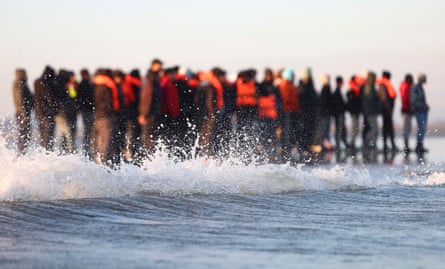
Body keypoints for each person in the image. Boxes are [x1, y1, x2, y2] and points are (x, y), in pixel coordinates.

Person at [92, 69, 120, 165]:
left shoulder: (98, 86)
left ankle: (103, 161)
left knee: (103, 141)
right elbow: (105, 103)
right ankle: (103, 163)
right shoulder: (105, 87)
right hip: (105, 117)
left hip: (100, 116)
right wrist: (110, 112)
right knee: (105, 142)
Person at [138, 59, 163, 156]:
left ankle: (149, 157)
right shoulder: (151, 79)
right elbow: (146, 97)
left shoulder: (154, 78)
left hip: (153, 113)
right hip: (149, 114)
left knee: (151, 138)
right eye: (159, 66)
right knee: (148, 138)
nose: (161, 68)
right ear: (153, 65)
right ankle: (146, 158)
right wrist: (143, 114)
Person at [258, 68, 281, 161]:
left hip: (273, 115)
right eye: (267, 75)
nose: (269, 77)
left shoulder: (274, 86)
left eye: (270, 75)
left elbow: (278, 101)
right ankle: (265, 153)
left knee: (273, 135)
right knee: (264, 135)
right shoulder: (261, 85)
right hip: (264, 115)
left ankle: (273, 154)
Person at [34, 65, 57, 151]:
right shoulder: (46, 83)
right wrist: (55, 107)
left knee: (43, 135)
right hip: (46, 112)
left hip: (38, 112)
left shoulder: (37, 82)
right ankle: (47, 154)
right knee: (48, 136)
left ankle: (43, 153)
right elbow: (49, 97)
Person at [277, 68, 297, 162]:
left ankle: (285, 151)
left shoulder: (286, 85)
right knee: (286, 132)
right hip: (287, 111)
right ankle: (285, 152)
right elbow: (286, 99)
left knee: (287, 132)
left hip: (288, 111)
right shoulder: (286, 85)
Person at [298, 68, 319, 160]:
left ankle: (306, 149)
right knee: (304, 133)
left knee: (309, 133)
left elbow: (316, 101)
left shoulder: (309, 88)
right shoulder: (303, 88)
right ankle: (303, 150)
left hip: (311, 115)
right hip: (304, 114)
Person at [12, 69, 33, 155]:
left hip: (22, 113)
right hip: (22, 113)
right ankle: (21, 153)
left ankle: (22, 153)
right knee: (24, 134)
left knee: (24, 134)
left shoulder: (20, 83)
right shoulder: (20, 84)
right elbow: (20, 100)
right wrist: (24, 114)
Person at [361, 71, 380, 163]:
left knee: (373, 129)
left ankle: (369, 144)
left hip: (369, 112)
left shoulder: (368, 86)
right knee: (374, 129)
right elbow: (371, 101)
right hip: (371, 112)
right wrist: (379, 105)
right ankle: (368, 144)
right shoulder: (369, 87)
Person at [410, 73, 429, 160]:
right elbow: (413, 100)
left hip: (423, 110)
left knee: (423, 128)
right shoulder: (416, 88)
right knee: (421, 127)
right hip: (419, 111)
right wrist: (419, 107)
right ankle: (419, 145)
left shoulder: (420, 88)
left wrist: (425, 106)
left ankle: (420, 144)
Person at [377, 71, 397, 152]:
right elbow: (384, 99)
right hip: (386, 111)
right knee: (388, 128)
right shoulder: (383, 85)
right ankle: (388, 145)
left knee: (388, 128)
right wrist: (388, 109)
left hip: (387, 110)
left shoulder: (384, 85)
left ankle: (390, 145)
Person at [77, 69, 95, 157]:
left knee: (87, 130)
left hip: (84, 110)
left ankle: (86, 150)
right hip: (88, 110)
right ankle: (87, 150)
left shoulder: (80, 85)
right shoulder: (88, 84)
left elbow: (76, 97)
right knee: (89, 130)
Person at [346, 75, 362, 151]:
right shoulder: (352, 90)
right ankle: (352, 144)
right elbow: (351, 103)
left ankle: (353, 143)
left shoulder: (355, 90)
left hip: (356, 112)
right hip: (354, 113)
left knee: (356, 128)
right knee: (355, 128)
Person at [332, 76, 348, 153]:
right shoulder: (337, 92)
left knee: (340, 129)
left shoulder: (337, 91)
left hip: (339, 114)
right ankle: (338, 144)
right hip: (339, 114)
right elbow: (338, 104)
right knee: (339, 129)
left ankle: (341, 143)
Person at [399, 74, 414, 153]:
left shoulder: (405, 86)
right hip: (406, 110)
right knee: (406, 129)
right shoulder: (406, 87)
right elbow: (406, 99)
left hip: (406, 110)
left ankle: (406, 145)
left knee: (407, 128)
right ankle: (406, 146)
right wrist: (410, 108)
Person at [319, 74, 333, 151]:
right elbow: (324, 102)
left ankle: (326, 143)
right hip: (325, 114)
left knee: (326, 129)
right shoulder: (325, 89)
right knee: (324, 129)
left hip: (325, 113)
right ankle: (322, 144)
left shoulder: (326, 89)